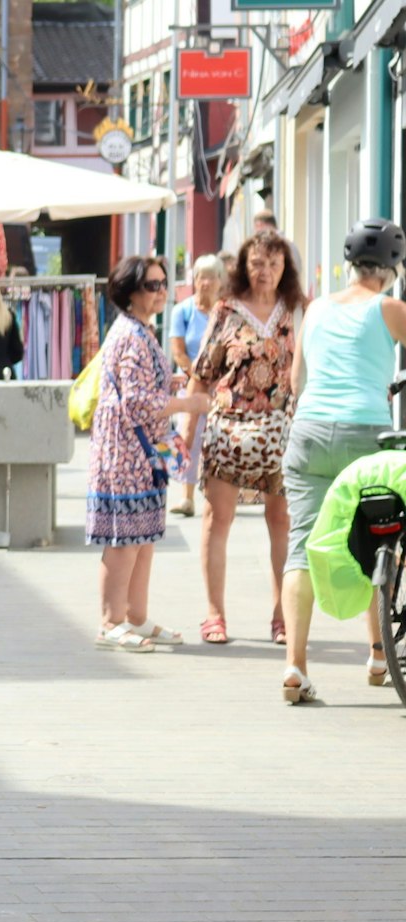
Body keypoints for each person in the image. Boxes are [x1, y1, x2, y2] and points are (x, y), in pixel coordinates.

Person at [279, 219, 406, 703]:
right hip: (365, 436)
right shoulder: (389, 308)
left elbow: (296, 382)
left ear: (350, 265)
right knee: (381, 536)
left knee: (300, 546)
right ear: (392, 269)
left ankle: (295, 667)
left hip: (310, 433)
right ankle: (378, 653)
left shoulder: (314, 309)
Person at [88, 255, 212, 652]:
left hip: (141, 451)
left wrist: (172, 381)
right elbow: (137, 403)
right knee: (125, 538)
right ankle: (111, 622)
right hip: (127, 451)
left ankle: (135, 616)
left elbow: (141, 388)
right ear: (130, 292)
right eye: (151, 285)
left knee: (142, 536)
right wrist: (189, 404)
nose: (161, 291)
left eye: (163, 284)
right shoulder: (132, 334)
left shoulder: (140, 330)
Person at [189, 232, 305, 646]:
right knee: (217, 519)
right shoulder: (226, 310)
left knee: (281, 522)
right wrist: (185, 436)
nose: (265, 271)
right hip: (228, 433)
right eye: (257, 263)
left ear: (285, 268)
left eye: (274, 263)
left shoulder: (297, 310)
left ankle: (282, 615)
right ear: (243, 266)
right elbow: (202, 375)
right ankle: (214, 614)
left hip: (281, 435)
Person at [167, 255, 227, 518]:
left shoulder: (226, 311)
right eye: (201, 277)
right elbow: (178, 352)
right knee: (188, 439)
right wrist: (199, 376)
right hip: (192, 385)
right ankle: (187, 497)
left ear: (220, 281)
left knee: (220, 440)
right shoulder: (182, 311)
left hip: (222, 387)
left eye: (211, 277)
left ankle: (218, 497)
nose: (205, 283)